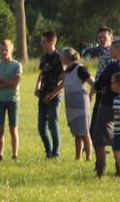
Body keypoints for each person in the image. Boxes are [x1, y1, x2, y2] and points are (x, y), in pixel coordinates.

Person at [91, 39, 120, 177]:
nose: (110, 51)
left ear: (119, 49)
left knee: (99, 139)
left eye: (112, 49)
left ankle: (100, 171)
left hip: (108, 104)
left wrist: (102, 88)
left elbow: (98, 84)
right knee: (119, 137)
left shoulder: (113, 66)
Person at [61, 48, 94, 161]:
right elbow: (63, 85)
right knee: (77, 133)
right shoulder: (66, 70)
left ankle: (89, 157)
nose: (61, 57)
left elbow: (93, 83)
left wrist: (90, 96)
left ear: (68, 57)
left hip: (80, 103)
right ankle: (78, 157)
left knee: (84, 132)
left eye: (62, 55)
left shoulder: (80, 69)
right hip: (70, 104)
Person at [0, 38, 22, 161]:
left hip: (13, 100)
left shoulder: (17, 65)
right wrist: (7, 82)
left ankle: (15, 155)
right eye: (2, 50)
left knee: (13, 128)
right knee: (0, 129)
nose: (4, 52)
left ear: (11, 50)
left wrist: (1, 80)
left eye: (6, 50)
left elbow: (15, 83)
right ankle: (0, 155)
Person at [35, 31, 63, 159]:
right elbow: (41, 74)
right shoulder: (44, 57)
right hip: (43, 94)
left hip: (54, 95)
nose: (42, 44)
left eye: (44, 41)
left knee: (53, 124)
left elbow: (64, 80)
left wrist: (52, 94)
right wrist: (37, 87)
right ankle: (48, 152)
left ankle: (55, 154)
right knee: (41, 126)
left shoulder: (60, 58)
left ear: (52, 42)